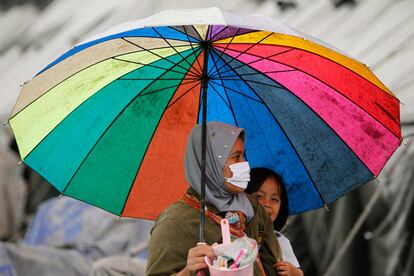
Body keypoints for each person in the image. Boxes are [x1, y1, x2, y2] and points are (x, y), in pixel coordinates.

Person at [146, 122, 281, 275]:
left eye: (243, 156)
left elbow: (274, 266)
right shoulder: (175, 222)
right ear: (211, 163)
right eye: (236, 157)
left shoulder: (252, 207)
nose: (245, 165)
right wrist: (187, 272)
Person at [246, 167, 303, 276]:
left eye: (274, 199)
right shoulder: (235, 233)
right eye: (259, 197)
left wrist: (295, 272)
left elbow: (299, 272)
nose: (267, 204)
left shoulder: (281, 241)